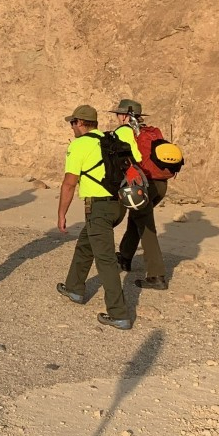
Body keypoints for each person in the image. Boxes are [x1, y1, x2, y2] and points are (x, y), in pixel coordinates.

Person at [56, 104, 141, 330]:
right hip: (118, 206)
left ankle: (119, 314)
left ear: (81, 123)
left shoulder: (80, 145)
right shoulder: (107, 140)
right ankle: (74, 288)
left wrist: (61, 213)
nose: (72, 127)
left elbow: (69, 183)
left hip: (99, 208)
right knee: (86, 244)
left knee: (105, 261)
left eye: (73, 122)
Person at [112, 99, 172, 290]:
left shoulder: (124, 131)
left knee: (146, 226)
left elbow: (133, 158)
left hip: (143, 184)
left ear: (124, 115)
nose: (117, 118)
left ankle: (156, 276)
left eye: (117, 114)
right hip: (160, 184)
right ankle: (125, 257)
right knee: (137, 217)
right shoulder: (150, 132)